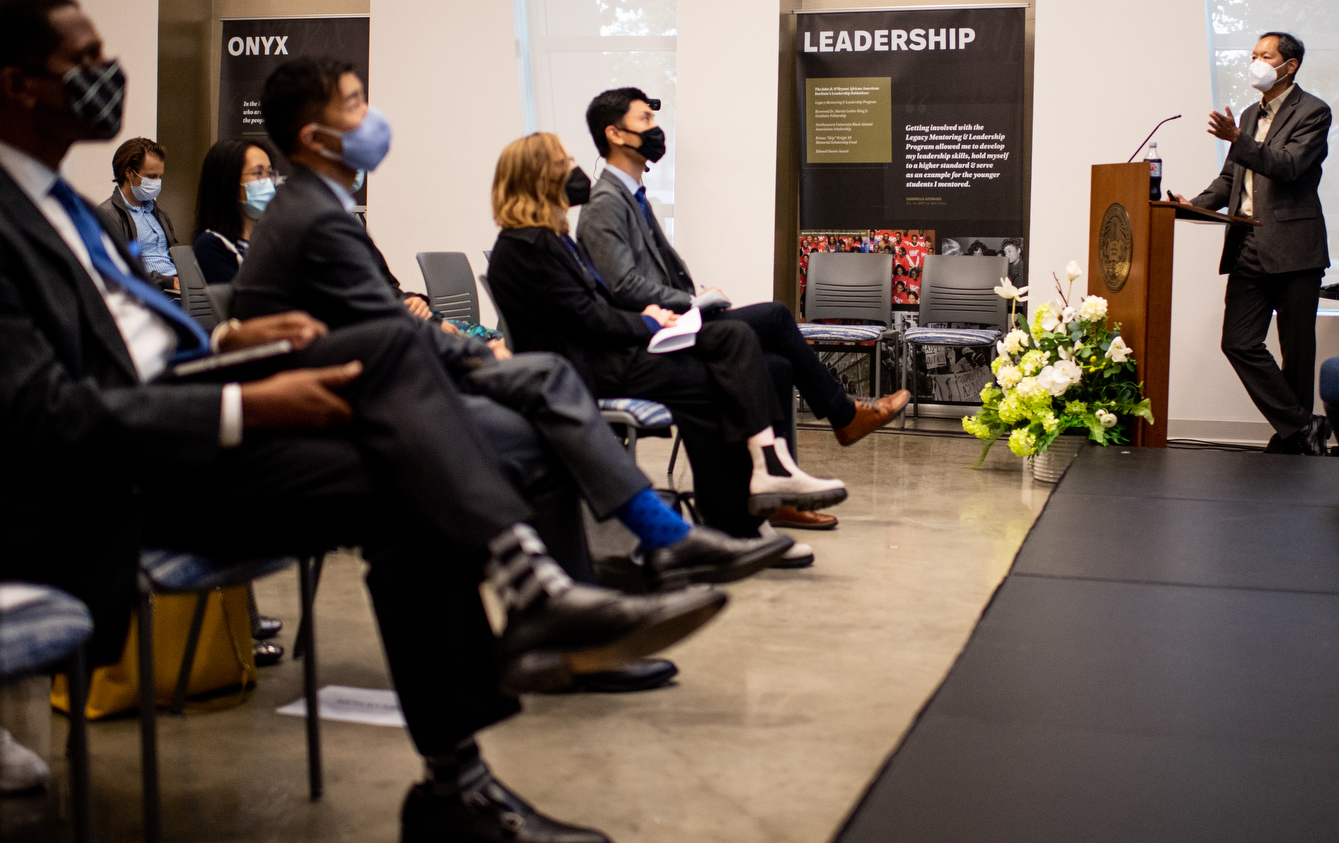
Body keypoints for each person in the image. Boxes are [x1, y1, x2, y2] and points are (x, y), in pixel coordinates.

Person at [0, 0, 734, 841]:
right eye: (80, 61)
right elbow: (36, 416)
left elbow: (127, 351)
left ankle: (489, 710)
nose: (104, 74)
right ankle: (515, 648)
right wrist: (239, 402)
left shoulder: (65, 206)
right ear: (15, 84)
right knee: (405, 386)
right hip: (113, 486)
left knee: (395, 378)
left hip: (183, 420)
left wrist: (229, 339)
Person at [229, 56, 794, 628]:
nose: (371, 117)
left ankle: (598, 598)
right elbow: (389, 333)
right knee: (545, 387)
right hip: (345, 398)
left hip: (375, 379)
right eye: (354, 105)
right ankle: (636, 564)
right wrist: (480, 349)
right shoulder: (320, 218)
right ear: (314, 137)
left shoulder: (318, 210)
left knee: (548, 398)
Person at [488, 132, 851, 551]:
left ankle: (751, 501)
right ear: (537, 178)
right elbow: (587, 320)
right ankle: (739, 520)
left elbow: (590, 310)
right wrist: (647, 323)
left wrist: (654, 319)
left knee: (734, 344)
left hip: (603, 356)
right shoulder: (526, 249)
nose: (574, 169)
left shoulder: (548, 239)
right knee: (717, 382)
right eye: (563, 163)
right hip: (585, 371)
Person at [575, 88, 909, 532]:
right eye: (644, 122)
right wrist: (688, 303)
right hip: (652, 335)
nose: (656, 131)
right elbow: (622, 284)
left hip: (674, 322)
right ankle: (845, 416)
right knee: (773, 317)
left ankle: (778, 494)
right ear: (614, 134)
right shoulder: (605, 205)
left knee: (775, 366)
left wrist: (693, 295)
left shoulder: (633, 195)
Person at [1172, 31, 1331, 455]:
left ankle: (1293, 438)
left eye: (1266, 55)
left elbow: (1289, 166)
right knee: (1238, 342)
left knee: (1297, 351)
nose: (1256, 62)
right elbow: (1230, 180)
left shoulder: (1313, 111)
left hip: (1296, 247)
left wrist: (1238, 141)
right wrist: (1190, 206)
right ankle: (1301, 425)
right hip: (1247, 246)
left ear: (1289, 65)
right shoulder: (1246, 115)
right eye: (1254, 54)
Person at [96, 135, 179, 291]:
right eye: (151, 176)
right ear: (129, 173)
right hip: (150, 292)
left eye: (160, 176)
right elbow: (121, 269)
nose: (157, 182)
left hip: (177, 288)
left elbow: (174, 256)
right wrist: (168, 282)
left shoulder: (159, 214)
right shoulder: (108, 215)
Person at [192, 137, 276, 283]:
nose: (268, 182)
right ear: (229, 180)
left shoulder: (269, 238)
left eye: (269, 174)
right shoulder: (212, 244)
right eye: (258, 173)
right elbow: (244, 302)